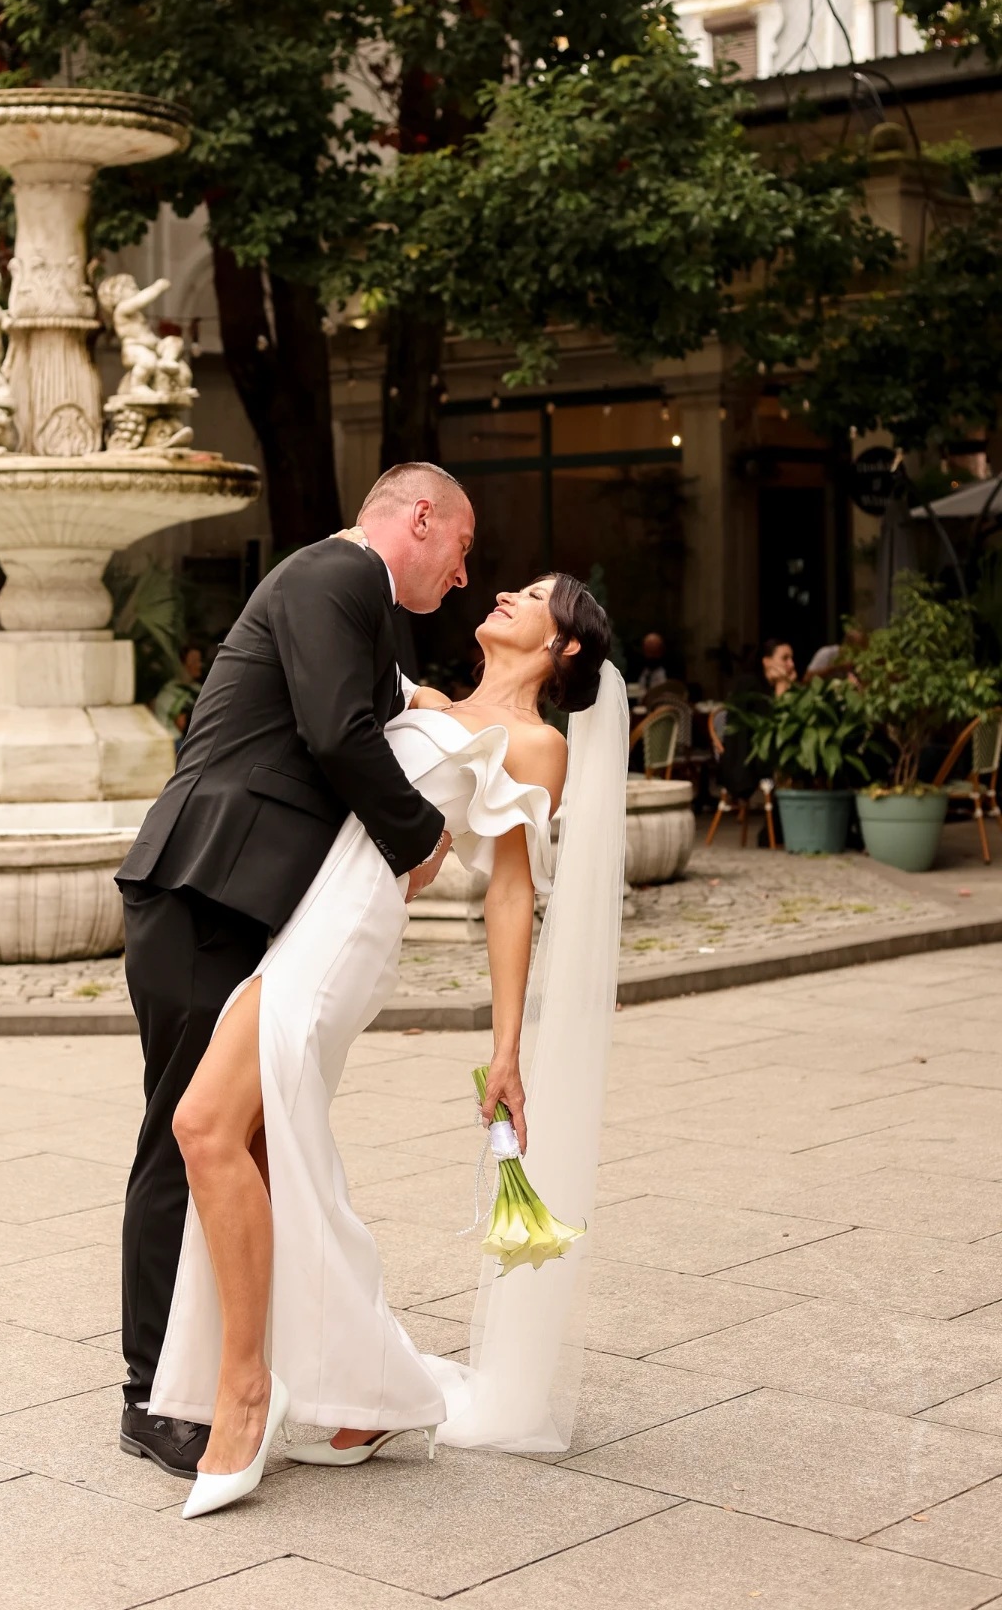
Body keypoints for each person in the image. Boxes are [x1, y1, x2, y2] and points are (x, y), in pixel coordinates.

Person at [154, 567, 626, 1518]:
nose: (503, 593)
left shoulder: (535, 746)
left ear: (564, 646)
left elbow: (510, 893)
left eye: (533, 596)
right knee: (255, 1147)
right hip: (303, 917)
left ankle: (248, 1392)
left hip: (349, 936)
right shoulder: (426, 698)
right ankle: (367, 1392)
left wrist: (506, 1052)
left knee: (206, 1127)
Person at [113, 463, 473, 1477]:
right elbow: (334, 731)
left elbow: (395, 708)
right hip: (201, 888)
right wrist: (421, 837)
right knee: (183, 1137)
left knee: (238, 1140)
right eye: (461, 544)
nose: (462, 571)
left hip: (239, 898)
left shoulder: (360, 608)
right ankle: (151, 1393)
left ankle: (245, 1369)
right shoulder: (337, 575)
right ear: (416, 519)